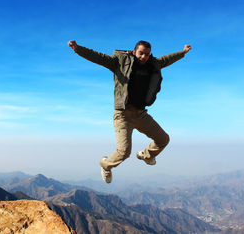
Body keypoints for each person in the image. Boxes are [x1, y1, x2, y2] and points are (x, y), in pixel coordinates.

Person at [67, 40, 192, 183]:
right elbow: (98, 57)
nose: (144, 57)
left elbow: (166, 59)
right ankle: (105, 165)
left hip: (141, 114)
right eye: (141, 53)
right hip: (123, 115)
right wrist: (78, 49)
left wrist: (182, 52)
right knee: (124, 152)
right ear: (134, 52)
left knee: (163, 139)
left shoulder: (153, 64)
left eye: (147, 54)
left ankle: (147, 156)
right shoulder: (119, 62)